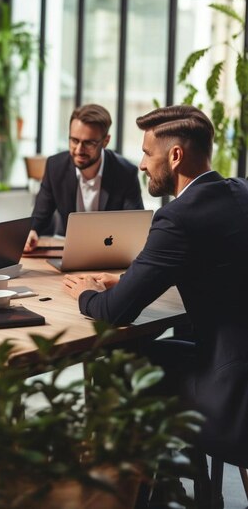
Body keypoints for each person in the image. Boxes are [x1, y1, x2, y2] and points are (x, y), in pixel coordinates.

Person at [63, 104, 248, 467]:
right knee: (152, 352)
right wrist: (130, 280)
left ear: (175, 156)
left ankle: (124, 485)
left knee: (118, 364)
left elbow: (115, 311)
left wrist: (86, 292)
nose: (143, 164)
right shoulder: (241, 191)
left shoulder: (178, 218)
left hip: (229, 393)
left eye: (148, 153)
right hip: (236, 365)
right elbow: (224, 274)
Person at [24, 103, 144, 251]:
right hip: (67, 249)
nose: (79, 150)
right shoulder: (55, 167)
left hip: (111, 253)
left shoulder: (125, 172)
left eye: (88, 143)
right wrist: (32, 232)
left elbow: (135, 228)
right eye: (74, 140)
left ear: (105, 141)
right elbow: (39, 218)